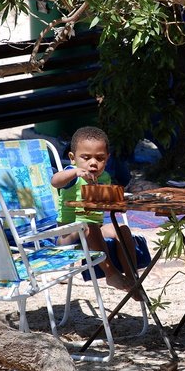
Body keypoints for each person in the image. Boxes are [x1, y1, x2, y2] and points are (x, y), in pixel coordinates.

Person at [51, 126, 138, 295]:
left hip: (93, 230)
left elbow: (106, 202)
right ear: (72, 158)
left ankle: (132, 278)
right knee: (88, 225)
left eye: (100, 158)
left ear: (107, 159)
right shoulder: (71, 174)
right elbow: (55, 181)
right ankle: (111, 273)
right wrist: (75, 172)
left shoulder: (104, 177)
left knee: (122, 230)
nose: (93, 163)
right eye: (86, 157)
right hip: (66, 234)